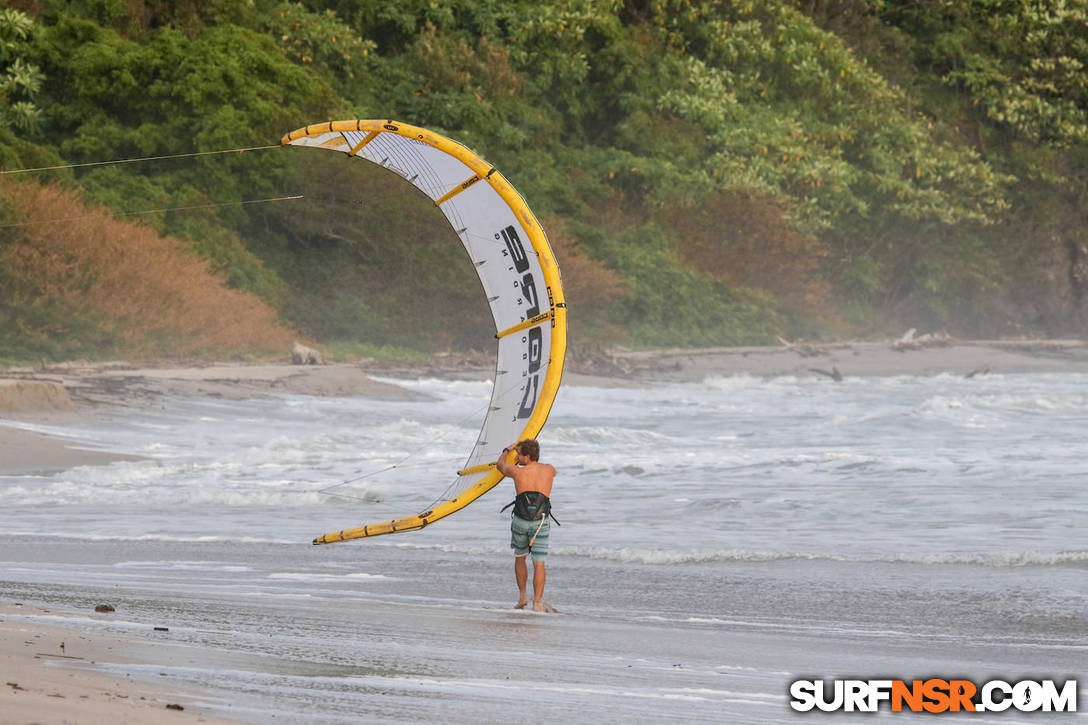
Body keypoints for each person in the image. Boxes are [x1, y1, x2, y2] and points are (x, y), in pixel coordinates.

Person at [496, 438, 556, 612]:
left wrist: (507, 450)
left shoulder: (516, 472)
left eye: (519, 454)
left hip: (521, 520)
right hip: (541, 522)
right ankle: (537, 602)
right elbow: (550, 472)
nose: (517, 457)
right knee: (539, 563)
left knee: (520, 557)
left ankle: (523, 597)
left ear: (527, 456)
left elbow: (500, 466)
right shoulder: (550, 469)